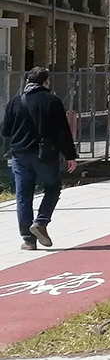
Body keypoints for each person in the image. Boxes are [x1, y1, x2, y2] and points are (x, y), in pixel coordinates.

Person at [3, 67, 77, 251]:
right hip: (45, 154)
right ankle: (41, 222)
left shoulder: (15, 102)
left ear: (28, 81)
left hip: (20, 155)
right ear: (45, 82)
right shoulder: (52, 101)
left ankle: (28, 240)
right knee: (53, 187)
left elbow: (5, 130)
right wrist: (70, 156)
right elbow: (62, 131)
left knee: (23, 195)